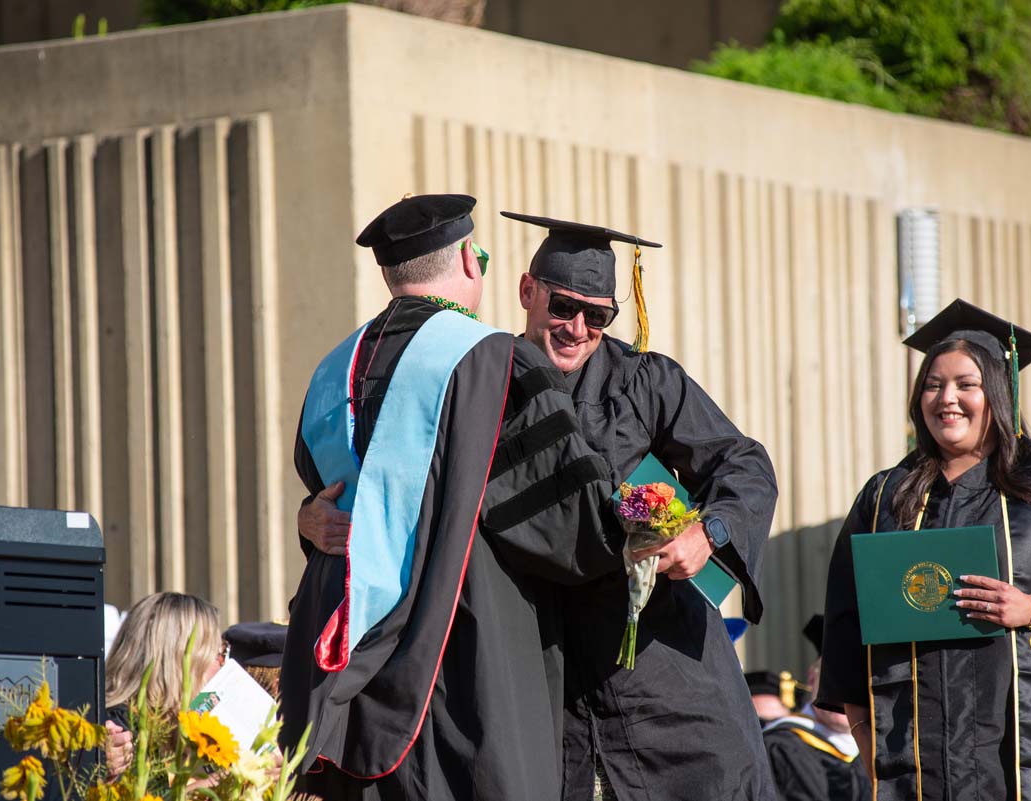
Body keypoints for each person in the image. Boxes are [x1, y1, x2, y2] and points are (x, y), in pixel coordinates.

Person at [300, 211, 778, 800]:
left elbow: (744, 464)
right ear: (527, 290)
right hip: (540, 691)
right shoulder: (475, 381)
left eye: (597, 315)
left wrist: (709, 531)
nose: (577, 327)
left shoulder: (646, 382)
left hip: (665, 686)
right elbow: (399, 491)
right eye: (561, 306)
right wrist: (315, 517)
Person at [280, 194, 624, 801]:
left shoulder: (334, 372)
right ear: (471, 260)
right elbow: (572, 527)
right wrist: (639, 526)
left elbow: (326, 506)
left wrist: (308, 522)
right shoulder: (494, 362)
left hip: (348, 682)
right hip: (461, 671)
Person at [818, 298, 1031, 800]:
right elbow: (846, 618)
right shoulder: (886, 496)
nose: (947, 398)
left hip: (1030, 740)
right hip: (915, 745)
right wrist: (863, 734)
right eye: (933, 384)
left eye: (967, 384)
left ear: (1001, 393)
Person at [103, 592, 224, 776]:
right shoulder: (117, 737)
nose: (222, 667)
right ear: (183, 663)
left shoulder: (172, 730)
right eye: (218, 655)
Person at [762, 615, 869, 801]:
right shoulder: (779, 747)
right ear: (812, 678)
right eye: (836, 679)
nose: (847, 693)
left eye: (860, 682)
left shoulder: (884, 750)